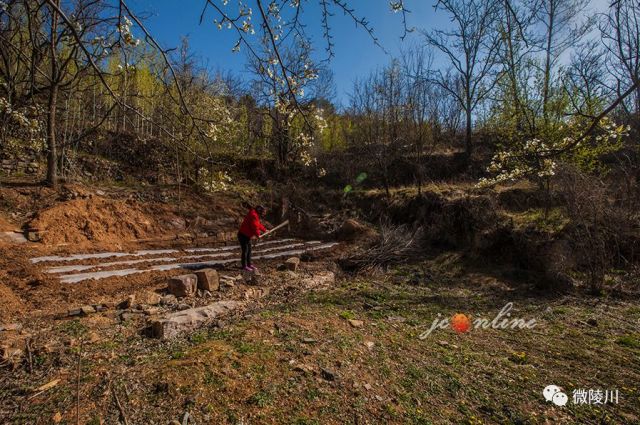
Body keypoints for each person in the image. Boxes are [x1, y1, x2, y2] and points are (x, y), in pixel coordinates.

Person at [238, 204, 267, 271]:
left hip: (247, 236)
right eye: (263, 212)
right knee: (245, 251)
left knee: (249, 250)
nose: (263, 214)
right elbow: (254, 227)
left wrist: (265, 230)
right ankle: (244, 266)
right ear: (259, 211)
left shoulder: (255, 215)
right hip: (243, 235)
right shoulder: (253, 215)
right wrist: (258, 235)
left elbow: (258, 224)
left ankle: (249, 264)